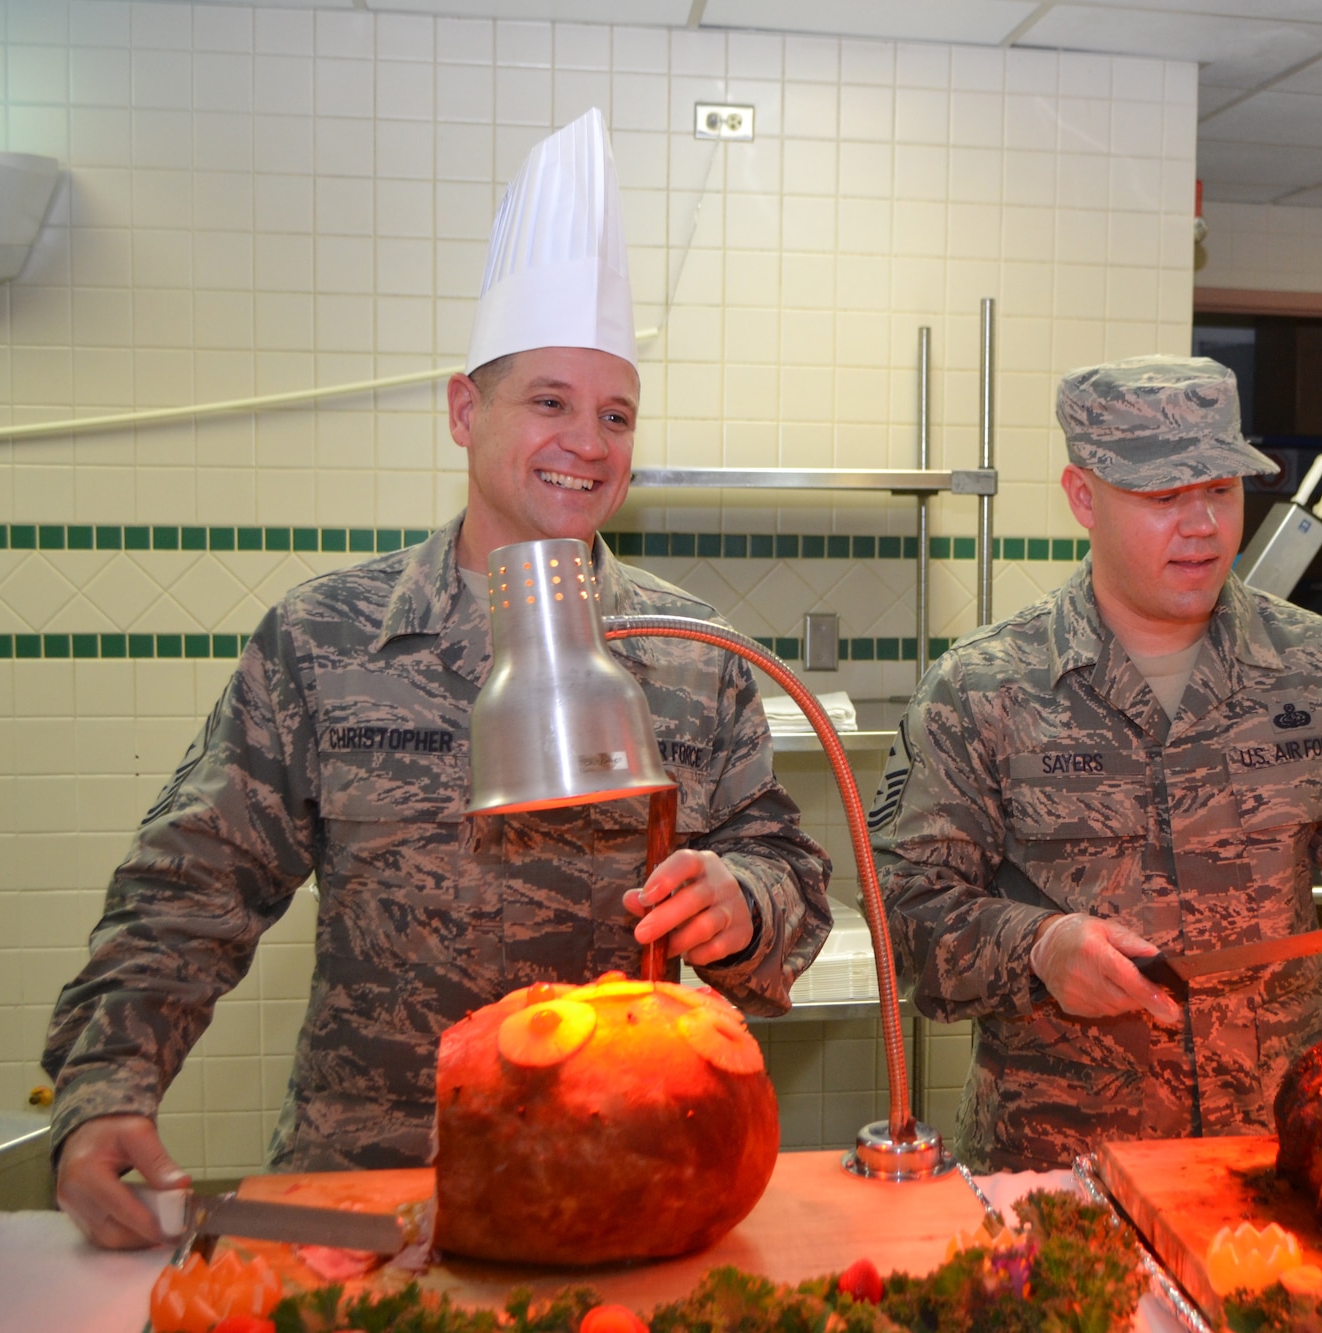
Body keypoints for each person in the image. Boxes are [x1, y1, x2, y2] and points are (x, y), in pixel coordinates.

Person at [44, 109, 833, 1248]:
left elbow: (789, 877)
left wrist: (741, 900)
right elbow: (189, 884)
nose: (588, 442)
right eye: (549, 403)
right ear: (467, 410)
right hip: (371, 1193)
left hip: (619, 1184)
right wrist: (106, 1084)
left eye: (615, 414)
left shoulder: (686, 649)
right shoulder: (327, 639)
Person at [868, 355, 1322, 1172]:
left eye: (1222, 491)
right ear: (1083, 497)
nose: (1202, 524)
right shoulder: (984, 687)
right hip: (1060, 1164)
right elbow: (903, 912)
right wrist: (1040, 948)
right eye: (1165, 497)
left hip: (1274, 1151)